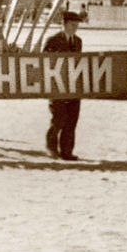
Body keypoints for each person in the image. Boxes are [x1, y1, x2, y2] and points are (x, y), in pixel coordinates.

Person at [44, 10, 84, 160]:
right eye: (72, 25)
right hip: (57, 86)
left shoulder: (78, 41)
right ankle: (51, 147)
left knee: (72, 120)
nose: (75, 28)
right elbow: (44, 62)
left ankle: (67, 151)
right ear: (64, 24)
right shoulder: (53, 40)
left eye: (77, 25)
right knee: (59, 118)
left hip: (73, 87)